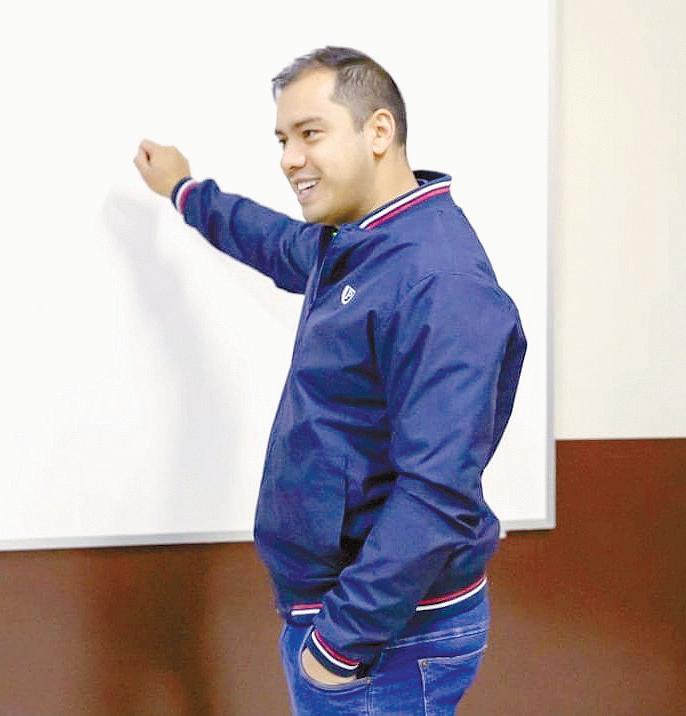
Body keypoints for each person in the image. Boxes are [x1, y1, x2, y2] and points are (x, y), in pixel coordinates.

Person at [134, 45, 527, 715]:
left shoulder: (440, 281)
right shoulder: (360, 244)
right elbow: (272, 240)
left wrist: (337, 646)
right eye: (283, 139)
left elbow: (437, 493)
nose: (289, 158)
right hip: (352, 622)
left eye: (310, 133)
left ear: (378, 131)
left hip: (383, 639)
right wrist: (185, 191)